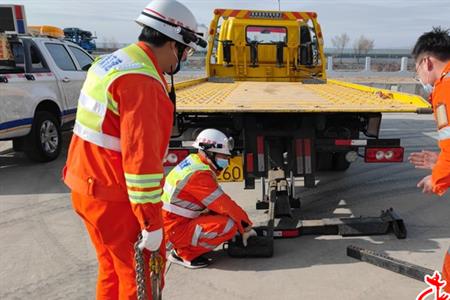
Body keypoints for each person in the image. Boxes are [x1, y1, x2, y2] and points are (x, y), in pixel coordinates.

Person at [62, 0, 205, 298]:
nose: (180, 59)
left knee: (112, 270)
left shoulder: (113, 62)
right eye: (185, 50)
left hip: (85, 187)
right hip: (114, 198)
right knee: (138, 278)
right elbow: (141, 166)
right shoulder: (143, 83)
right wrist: (151, 223)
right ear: (171, 43)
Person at [162, 129, 257, 268]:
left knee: (224, 216)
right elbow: (224, 204)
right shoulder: (198, 175)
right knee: (228, 225)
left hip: (172, 222)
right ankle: (184, 254)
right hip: (174, 230)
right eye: (222, 156)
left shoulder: (194, 162)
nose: (226, 161)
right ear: (209, 152)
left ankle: (183, 247)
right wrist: (246, 227)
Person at [410, 27, 450, 291]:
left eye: (416, 69)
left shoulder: (445, 89)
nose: (419, 76)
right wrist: (439, 160)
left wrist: (436, 179)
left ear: (427, 62)